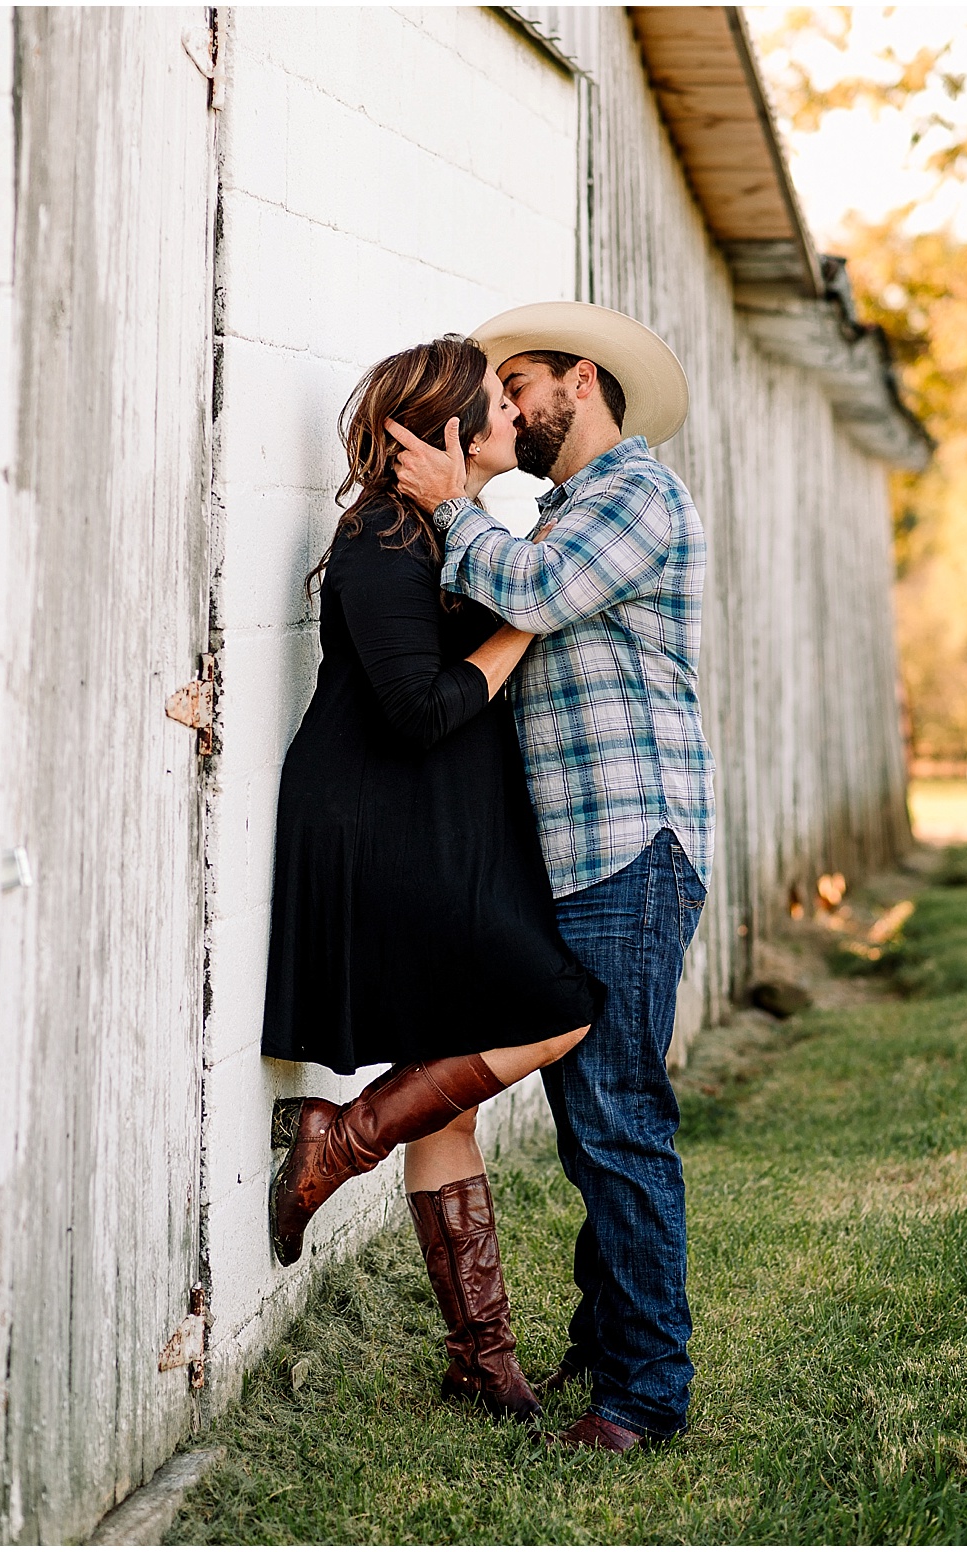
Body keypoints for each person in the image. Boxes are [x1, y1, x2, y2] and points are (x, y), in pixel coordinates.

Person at [387, 300, 712, 1455]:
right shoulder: (571, 509)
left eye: (518, 381)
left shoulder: (637, 492)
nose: (505, 404)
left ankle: (643, 1393)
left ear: (580, 379)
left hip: (631, 844)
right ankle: (609, 1342)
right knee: (595, 1118)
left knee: (617, 1120)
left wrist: (451, 507)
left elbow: (535, 594)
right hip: (577, 857)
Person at [260, 335, 604, 1425]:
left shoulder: (443, 535)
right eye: (497, 403)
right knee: (559, 1009)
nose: (515, 415)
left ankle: (481, 1362)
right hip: (379, 829)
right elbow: (417, 711)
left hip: (437, 828)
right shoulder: (376, 542)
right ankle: (341, 1137)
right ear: (453, 427)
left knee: (442, 1081)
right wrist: (516, 632)